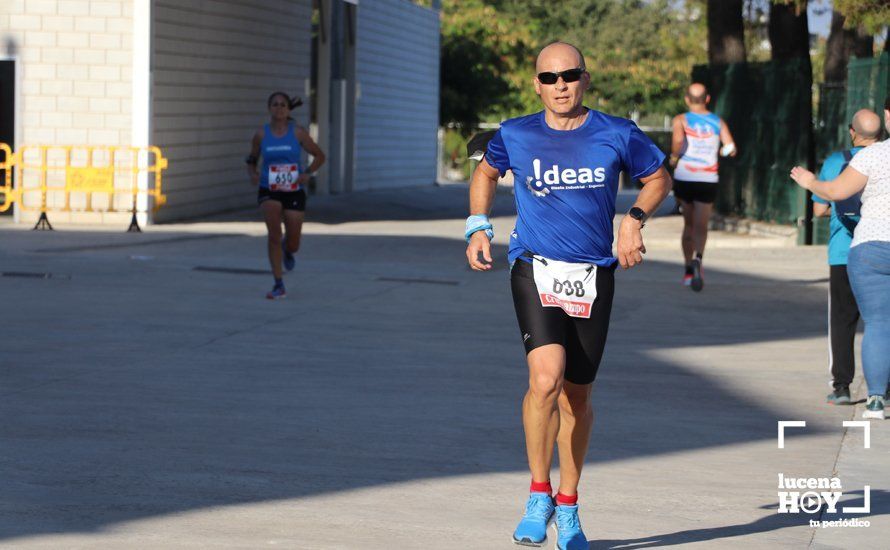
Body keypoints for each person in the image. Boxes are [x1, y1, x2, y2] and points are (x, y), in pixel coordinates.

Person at [465, 42, 672, 549]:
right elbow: (486, 171)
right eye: (550, 77)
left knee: (577, 395)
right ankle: (538, 495)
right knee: (545, 380)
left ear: (585, 79)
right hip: (534, 269)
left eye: (570, 75)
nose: (560, 85)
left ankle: (569, 504)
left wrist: (634, 220)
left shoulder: (617, 132)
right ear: (536, 83)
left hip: (593, 275)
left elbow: (658, 178)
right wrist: (477, 226)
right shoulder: (514, 133)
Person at [791, 96, 890, 420]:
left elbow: (831, 196)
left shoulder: (868, 157)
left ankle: (869, 397)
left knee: (872, 323)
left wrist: (809, 181)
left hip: (864, 248)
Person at [813, 109, 881, 405]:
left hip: (844, 252)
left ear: (852, 132)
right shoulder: (885, 157)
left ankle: (841, 385)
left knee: (841, 320)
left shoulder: (834, 162)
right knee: (882, 321)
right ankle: (884, 388)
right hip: (882, 248)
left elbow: (818, 209)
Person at [246, 92, 325, 300]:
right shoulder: (261, 134)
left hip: (293, 190)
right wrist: (253, 173)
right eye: (275, 105)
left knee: (293, 243)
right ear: (269, 108)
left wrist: (307, 173)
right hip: (268, 188)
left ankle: (287, 250)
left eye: (283, 105)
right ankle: (278, 284)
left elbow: (319, 155)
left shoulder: (298, 133)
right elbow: (252, 158)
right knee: (273, 234)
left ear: (288, 110)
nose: (279, 108)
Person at [669, 83, 736, 291]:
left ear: (687, 99)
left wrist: (674, 157)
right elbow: (731, 148)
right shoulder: (718, 122)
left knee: (688, 224)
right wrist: (718, 154)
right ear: (707, 99)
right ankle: (699, 257)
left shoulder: (681, 119)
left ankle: (688, 269)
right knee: (701, 224)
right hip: (707, 178)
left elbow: (678, 141)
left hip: (685, 176)